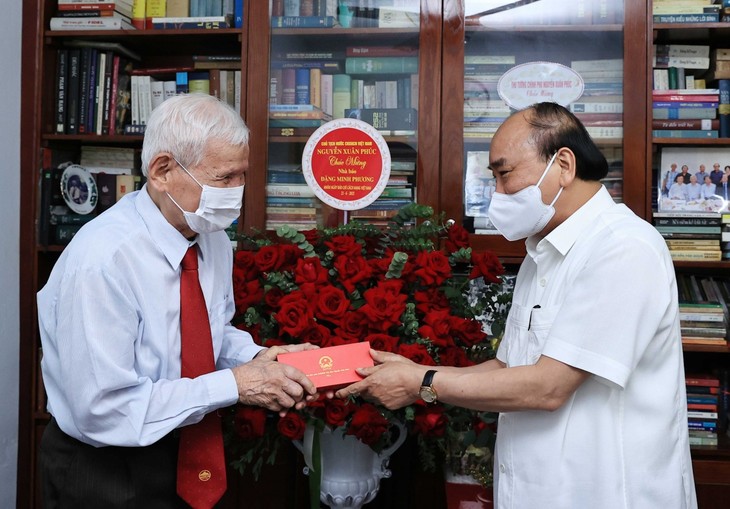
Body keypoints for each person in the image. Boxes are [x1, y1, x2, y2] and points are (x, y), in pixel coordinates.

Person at [338, 102, 697, 509]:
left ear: (563, 163)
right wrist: (414, 374)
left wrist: (422, 382)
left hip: (606, 492)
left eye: (504, 174)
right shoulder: (541, 251)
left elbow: (549, 386)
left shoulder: (623, 247)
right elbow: (510, 367)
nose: (498, 193)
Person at [37, 93, 318, 508]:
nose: (238, 191)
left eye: (244, 175)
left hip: (189, 447)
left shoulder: (212, 238)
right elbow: (104, 409)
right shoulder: (102, 261)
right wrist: (236, 385)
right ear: (162, 170)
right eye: (225, 178)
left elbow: (207, 332)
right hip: (107, 467)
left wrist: (264, 361)